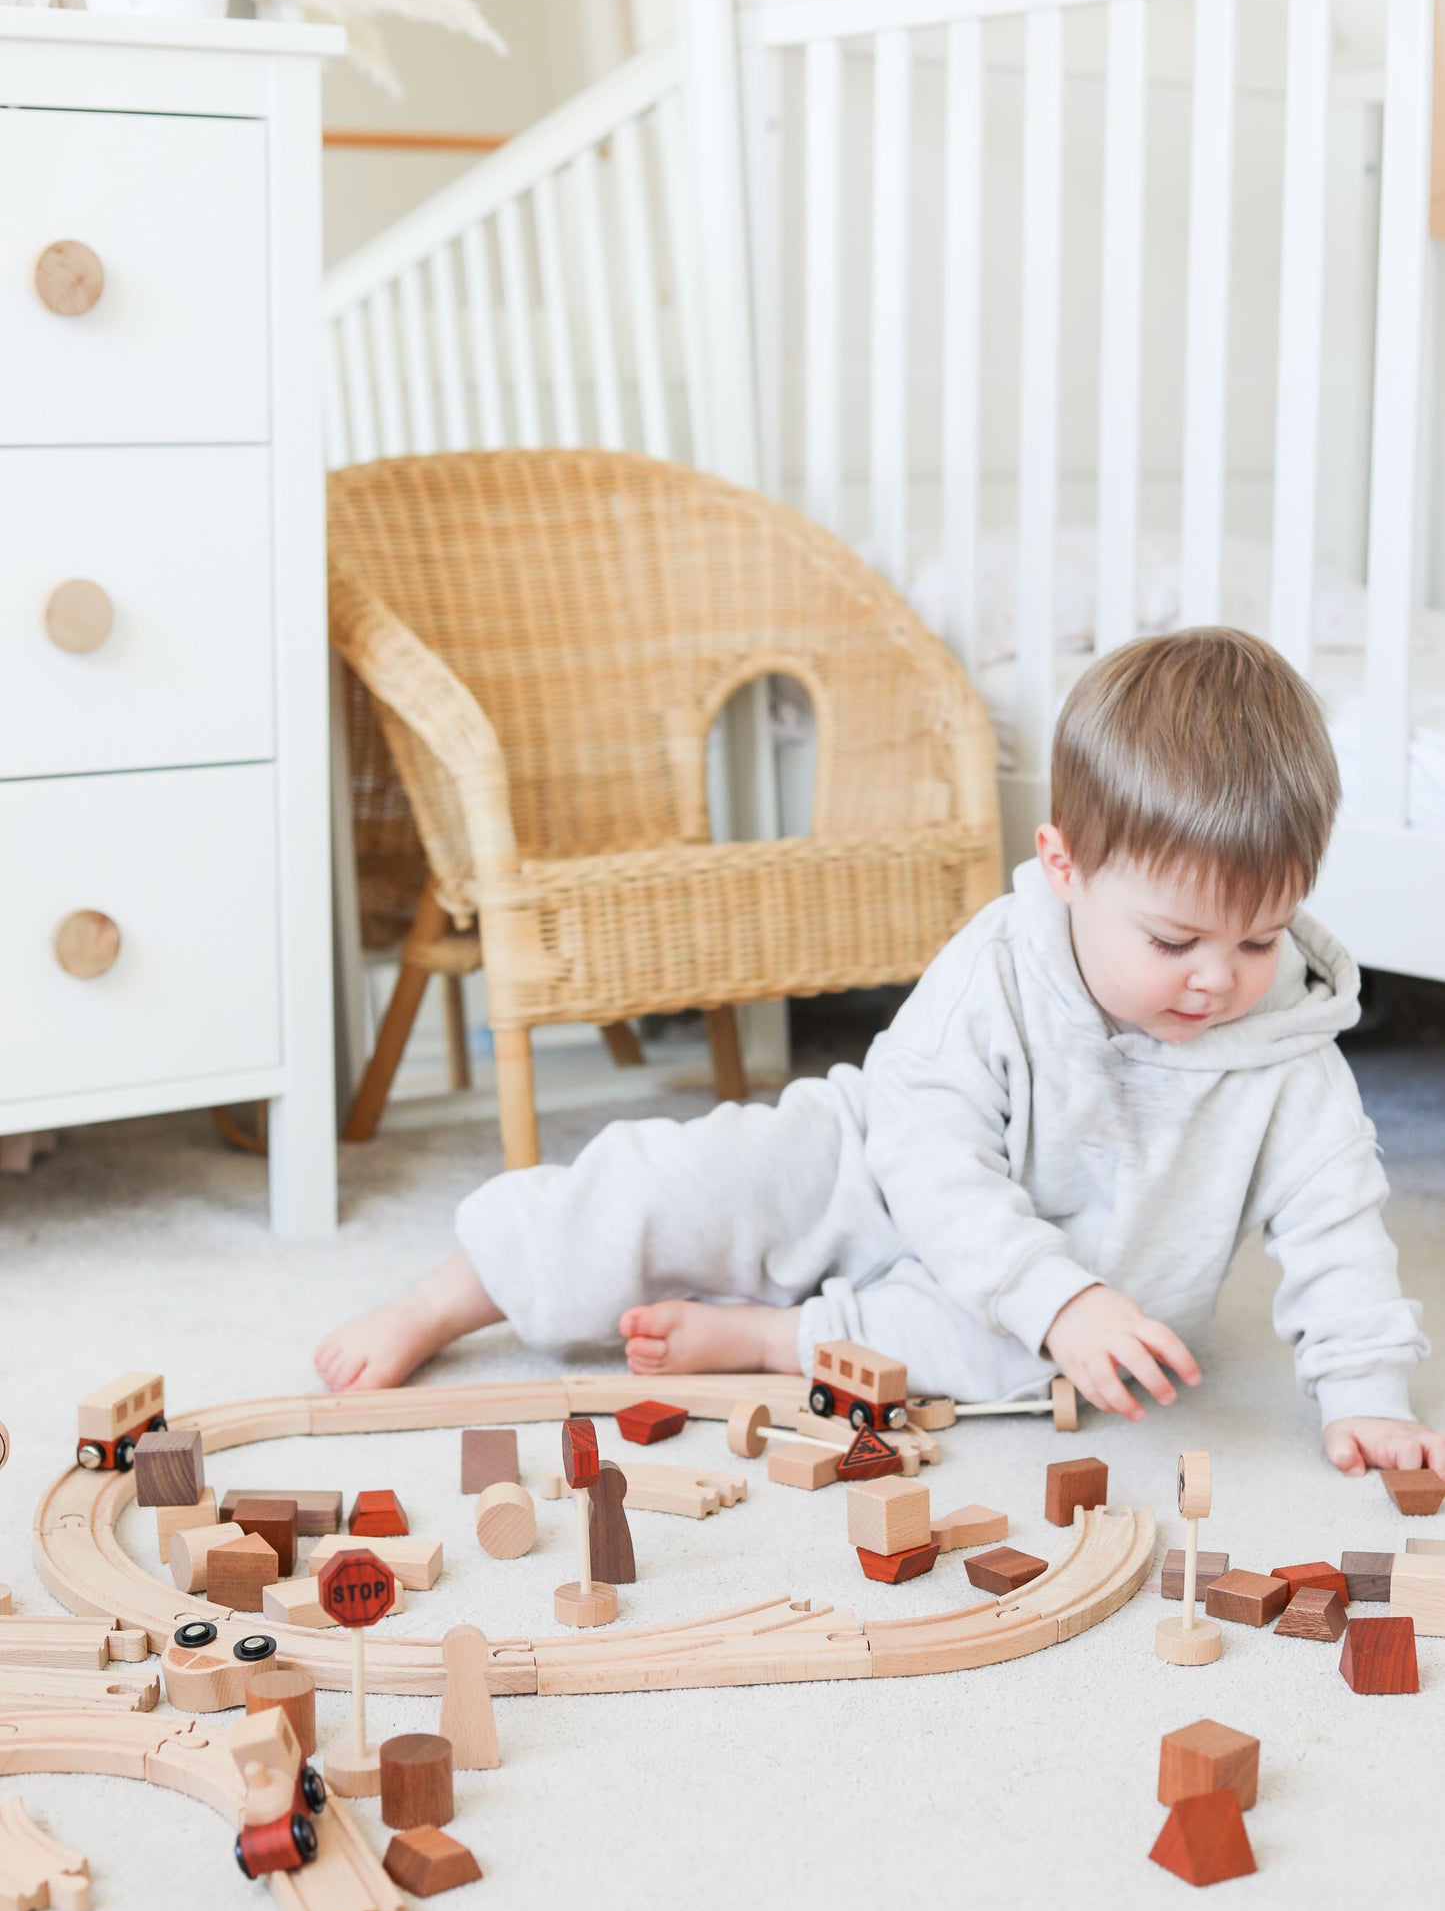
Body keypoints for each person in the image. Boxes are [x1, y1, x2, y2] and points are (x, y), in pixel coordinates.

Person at [316, 628, 1442, 1478]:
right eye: (1171, 939)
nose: (1217, 976)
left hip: (1073, 1274)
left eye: (1257, 937)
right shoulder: (994, 972)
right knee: (686, 1183)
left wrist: (1364, 1390)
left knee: (1032, 1368)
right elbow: (935, 1164)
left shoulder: (1286, 1049)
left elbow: (1334, 1218)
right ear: (1061, 865)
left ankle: (776, 1340)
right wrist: (1057, 1295)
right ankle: (452, 1292)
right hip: (885, 1166)